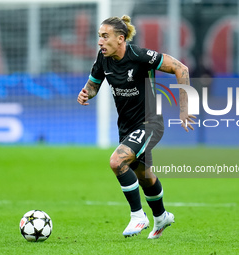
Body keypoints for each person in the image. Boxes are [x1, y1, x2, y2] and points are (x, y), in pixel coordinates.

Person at [77, 15, 196, 239]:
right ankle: (161, 217)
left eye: (105, 36)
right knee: (144, 175)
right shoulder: (103, 59)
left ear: (120, 38)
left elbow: (182, 69)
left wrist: (184, 107)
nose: (100, 42)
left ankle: (138, 216)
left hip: (150, 123)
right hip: (126, 127)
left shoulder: (140, 56)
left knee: (117, 161)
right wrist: (86, 94)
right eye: (99, 37)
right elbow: (93, 85)